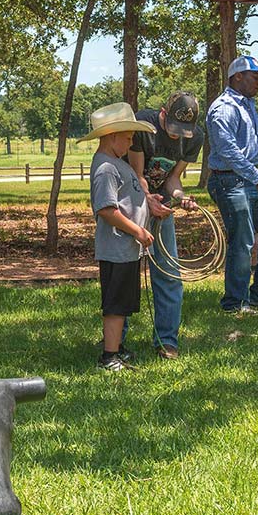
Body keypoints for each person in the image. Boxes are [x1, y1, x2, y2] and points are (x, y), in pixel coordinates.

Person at [206, 55, 258, 314]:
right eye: (255, 77)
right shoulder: (224, 108)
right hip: (229, 180)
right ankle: (235, 302)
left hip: (251, 177)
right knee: (242, 241)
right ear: (237, 77)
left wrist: (255, 176)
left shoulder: (247, 105)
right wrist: (257, 177)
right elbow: (228, 151)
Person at [125, 92, 204, 360]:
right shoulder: (142, 126)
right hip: (130, 201)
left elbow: (173, 178)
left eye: (183, 131)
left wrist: (180, 198)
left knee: (169, 273)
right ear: (162, 113)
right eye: (173, 128)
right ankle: (117, 342)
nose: (176, 135)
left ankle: (166, 341)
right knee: (125, 271)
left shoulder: (196, 137)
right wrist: (147, 201)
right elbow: (137, 175)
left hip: (163, 206)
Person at [81, 102, 155, 372]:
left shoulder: (115, 164)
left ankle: (118, 349)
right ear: (112, 136)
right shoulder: (105, 169)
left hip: (126, 248)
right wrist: (137, 230)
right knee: (114, 303)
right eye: (127, 137)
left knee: (123, 301)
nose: (131, 142)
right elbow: (106, 210)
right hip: (116, 247)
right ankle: (109, 356)